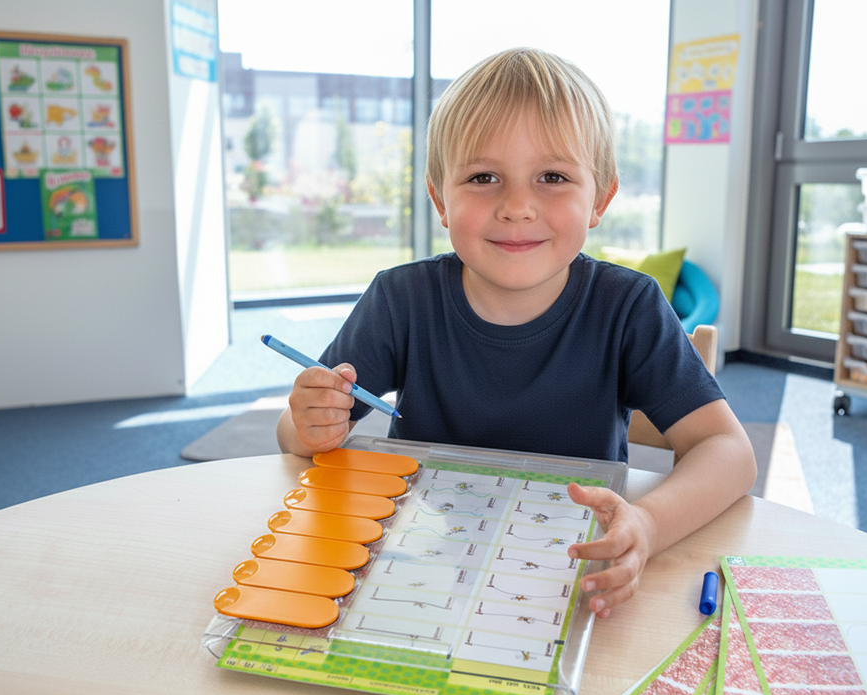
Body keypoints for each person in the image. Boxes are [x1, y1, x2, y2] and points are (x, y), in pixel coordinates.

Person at [276, 47, 757, 618]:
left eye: (552, 177)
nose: (518, 206)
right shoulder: (400, 299)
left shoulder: (628, 307)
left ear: (600, 198)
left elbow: (730, 453)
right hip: (419, 566)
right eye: (484, 178)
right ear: (440, 199)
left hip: (570, 574)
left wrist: (648, 523)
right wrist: (308, 420)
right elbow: (298, 439)